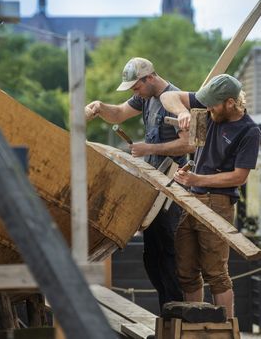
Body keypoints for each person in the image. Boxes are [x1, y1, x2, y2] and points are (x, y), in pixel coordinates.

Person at [86, 57, 194, 311]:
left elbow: (188, 144)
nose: (135, 93)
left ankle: (176, 313)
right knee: (152, 255)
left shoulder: (173, 98)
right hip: (153, 185)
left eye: (136, 87)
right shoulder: (146, 97)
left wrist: (149, 148)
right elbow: (120, 113)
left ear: (150, 78)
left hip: (172, 186)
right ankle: (167, 312)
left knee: (167, 252)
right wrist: (100, 107)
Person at [160, 74, 261, 318]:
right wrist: (183, 113)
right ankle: (196, 323)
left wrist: (199, 180)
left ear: (229, 102)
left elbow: (239, 177)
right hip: (192, 199)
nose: (207, 108)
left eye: (213, 105)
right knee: (186, 270)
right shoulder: (210, 109)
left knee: (216, 273)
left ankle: (224, 328)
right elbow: (168, 95)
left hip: (218, 202)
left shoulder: (249, 131)